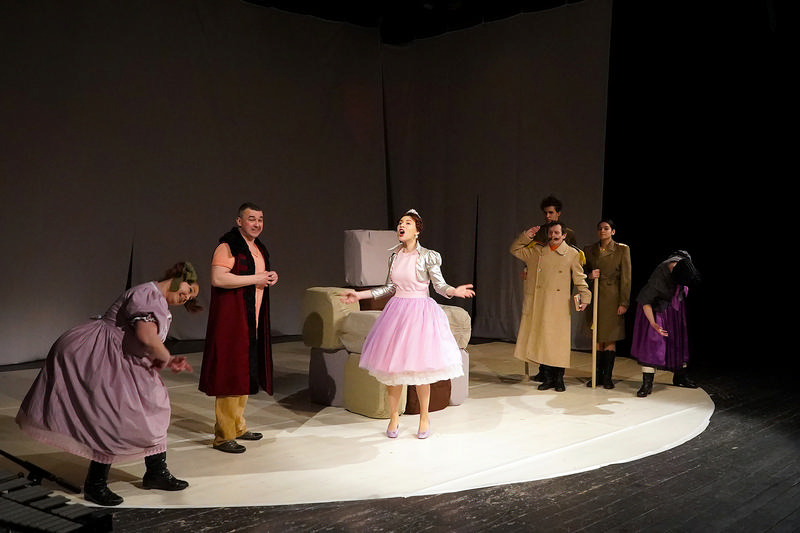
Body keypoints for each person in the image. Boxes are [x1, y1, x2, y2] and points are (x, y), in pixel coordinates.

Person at [16, 262, 201, 506]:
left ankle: (156, 471)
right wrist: (168, 359)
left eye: (191, 298)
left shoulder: (158, 300)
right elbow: (146, 337)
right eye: (188, 290)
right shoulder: (146, 294)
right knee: (112, 416)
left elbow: (146, 341)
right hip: (103, 356)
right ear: (178, 277)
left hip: (128, 359)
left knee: (155, 409)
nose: (187, 298)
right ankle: (96, 484)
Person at [339, 209, 474, 439]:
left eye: (408, 223)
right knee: (394, 369)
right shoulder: (395, 256)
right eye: (400, 223)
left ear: (417, 230)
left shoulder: (428, 256)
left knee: (421, 369)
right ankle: (394, 417)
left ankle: (424, 416)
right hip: (397, 313)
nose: (402, 226)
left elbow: (439, 285)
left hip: (420, 313)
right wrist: (360, 295)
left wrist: (454, 291)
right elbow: (389, 288)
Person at [199, 202, 279, 453]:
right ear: (239, 221)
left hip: (251, 318)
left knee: (244, 371)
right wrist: (256, 278)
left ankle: (237, 426)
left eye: (260, 219)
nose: (257, 224)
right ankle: (223, 436)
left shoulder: (257, 247)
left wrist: (269, 276)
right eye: (251, 219)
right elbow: (218, 278)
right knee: (230, 373)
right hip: (232, 320)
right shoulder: (228, 245)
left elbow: (257, 276)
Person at [510, 220, 591, 392]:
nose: (553, 236)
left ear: (564, 235)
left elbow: (579, 277)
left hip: (559, 304)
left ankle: (559, 379)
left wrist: (585, 297)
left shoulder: (572, 254)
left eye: (557, 233)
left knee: (558, 342)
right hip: (540, 303)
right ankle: (547, 378)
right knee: (544, 340)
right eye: (551, 233)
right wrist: (526, 236)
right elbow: (515, 250)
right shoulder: (537, 252)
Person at [630, 250, 701, 397]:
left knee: (679, 339)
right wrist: (653, 323)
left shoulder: (684, 263)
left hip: (674, 306)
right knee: (654, 343)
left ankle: (680, 376)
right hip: (655, 309)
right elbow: (646, 302)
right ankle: (647, 383)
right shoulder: (659, 278)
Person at [583, 219, 631, 389]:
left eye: (606, 228)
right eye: (600, 228)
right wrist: (590, 276)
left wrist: (624, 301)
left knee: (610, 336)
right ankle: (596, 375)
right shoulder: (589, 250)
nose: (602, 231)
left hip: (612, 297)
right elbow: (583, 272)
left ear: (613, 231)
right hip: (596, 296)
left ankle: (607, 377)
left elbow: (626, 277)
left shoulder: (621, 249)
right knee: (597, 336)